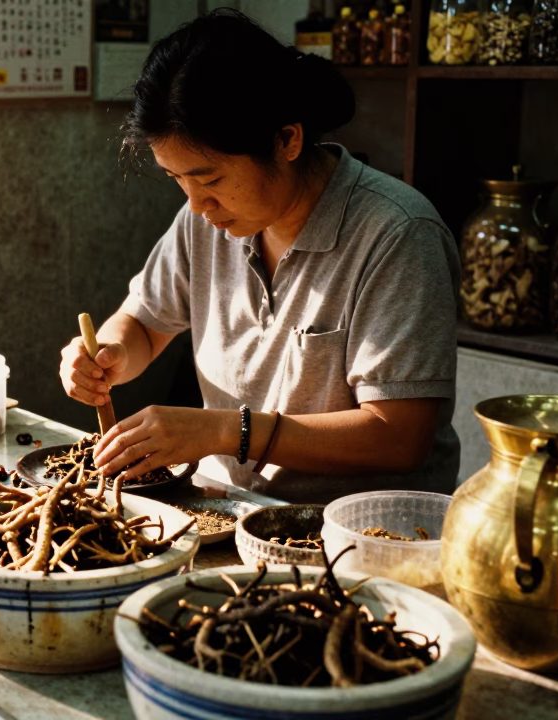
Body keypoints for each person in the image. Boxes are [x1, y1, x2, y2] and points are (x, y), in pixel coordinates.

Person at [59, 10, 460, 504]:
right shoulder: (204, 221)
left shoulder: (397, 234)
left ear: (287, 140)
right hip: (229, 507)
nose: (197, 204)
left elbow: (399, 437)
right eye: (177, 180)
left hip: (355, 534)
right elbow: (143, 325)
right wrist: (110, 354)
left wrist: (228, 432)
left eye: (209, 179)